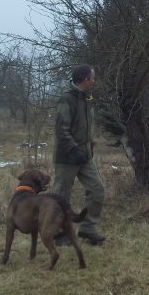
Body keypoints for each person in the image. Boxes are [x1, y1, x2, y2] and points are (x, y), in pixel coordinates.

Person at [53, 64, 106, 245]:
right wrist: (75, 150)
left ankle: (88, 229)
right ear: (85, 80)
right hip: (67, 157)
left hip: (85, 157)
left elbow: (85, 127)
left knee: (97, 190)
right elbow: (61, 130)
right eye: (92, 77)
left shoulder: (86, 98)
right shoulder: (66, 100)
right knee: (61, 197)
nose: (94, 81)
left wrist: (90, 145)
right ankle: (58, 234)